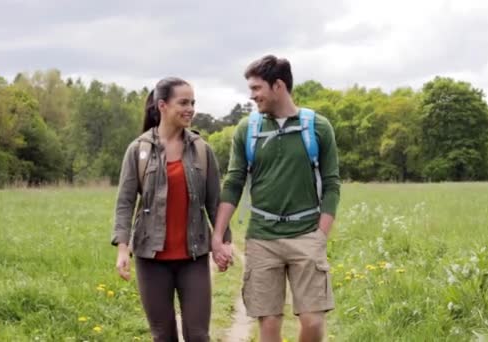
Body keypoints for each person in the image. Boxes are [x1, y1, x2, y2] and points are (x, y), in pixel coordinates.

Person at [212, 55, 341, 342]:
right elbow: (233, 182)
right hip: (262, 238)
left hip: (307, 234)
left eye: (257, 88)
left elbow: (332, 184)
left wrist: (321, 234)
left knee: (313, 324)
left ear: (278, 85)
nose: (252, 95)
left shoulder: (318, 127)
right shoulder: (248, 130)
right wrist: (218, 235)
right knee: (268, 326)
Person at [111, 77, 231, 342]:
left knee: (198, 335)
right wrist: (122, 249)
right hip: (150, 258)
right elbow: (125, 203)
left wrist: (223, 242)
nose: (190, 109)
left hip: (194, 256)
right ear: (162, 105)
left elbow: (214, 201)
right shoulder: (138, 150)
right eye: (183, 102)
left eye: (193, 103)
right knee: (163, 335)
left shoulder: (202, 149)